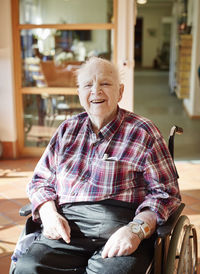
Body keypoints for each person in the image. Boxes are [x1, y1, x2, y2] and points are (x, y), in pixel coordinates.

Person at [14, 57, 181, 274]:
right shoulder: (66, 130)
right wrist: (47, 212)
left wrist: (135, 230)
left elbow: (167, 193)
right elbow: (40, 181)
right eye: (87, 85)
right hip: (66, 229)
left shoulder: (143, 132)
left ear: (120, 92)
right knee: (29, 268)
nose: (96, 91)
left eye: (105, 83)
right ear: (79, 94)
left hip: (121, 229)